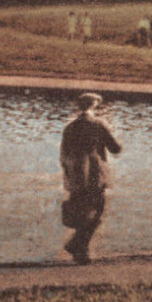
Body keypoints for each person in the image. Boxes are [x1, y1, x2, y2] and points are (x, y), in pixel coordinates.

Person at [59, 93, 121, 264]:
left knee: (80, 212)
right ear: (94, 106)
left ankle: (79, 249)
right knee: (98, 211)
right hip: (95, 174)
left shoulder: (70, 127)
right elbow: (115, 148)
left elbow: (63, 155)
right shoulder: (98, 125)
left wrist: (68, 175)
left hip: (76, 175)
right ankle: (78, 246)